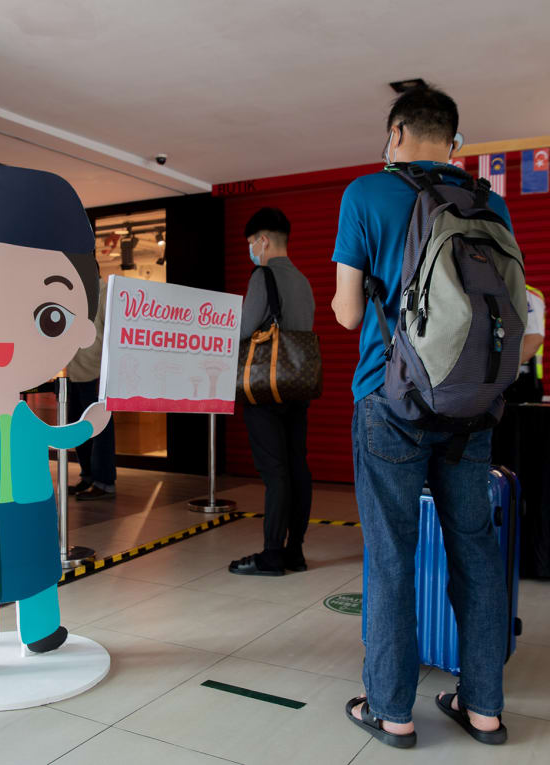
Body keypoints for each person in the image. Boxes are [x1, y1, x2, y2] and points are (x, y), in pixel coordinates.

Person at [331, 87, 513, 747]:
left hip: (391, 399)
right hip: (471, 403)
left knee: (392, 553)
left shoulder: (366, 194)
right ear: (454, 141)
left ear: (398, 130)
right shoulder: (490, 203)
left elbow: (350, 313)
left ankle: (392, 709)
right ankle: (485, 707)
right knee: (476, 549)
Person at [0, 159, 110, 670]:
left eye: (50, 316)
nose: (4, 343)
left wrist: (89, 427)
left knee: (34, 567)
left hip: (30, 500)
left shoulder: (28, 419)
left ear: (81, 327)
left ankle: (42, 630)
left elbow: (58, 435)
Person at [229, 208, 315, 576]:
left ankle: (271, 554)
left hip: (265, 389)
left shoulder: (262, 276)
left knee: (275, 471)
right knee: (298, 466)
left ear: (263, 240)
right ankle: (294, 550)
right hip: (297, 385)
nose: (252, 251)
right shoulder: (304, 281)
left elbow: (245, 329)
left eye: (251, 243)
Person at [67, 272, 117, 500]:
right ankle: (87, 475)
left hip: (96, 372)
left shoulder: (105, 293)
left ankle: (104, 482)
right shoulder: (74, 293)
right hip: (74, 371)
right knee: (78, 426)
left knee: (101, 428)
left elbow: (112, 333)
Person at [504, 283, 545, 403]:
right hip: (501, 380)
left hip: (522, 382)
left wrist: (499, 370)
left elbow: (534, 339)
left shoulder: (525, 293)